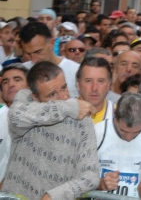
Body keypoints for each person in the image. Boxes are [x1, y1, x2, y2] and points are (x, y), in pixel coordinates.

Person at [2, 61, 99, 200]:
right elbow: (16, 118)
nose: (64, 97)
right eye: (52, 94)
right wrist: (68, 107)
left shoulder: (81, 120)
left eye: (64, 87)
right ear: (35, 97)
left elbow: (90, 177)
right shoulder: (25, 100)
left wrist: (54, 196)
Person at [95, 92, 141, 198]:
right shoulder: (97, 132)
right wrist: (100, 184)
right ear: (114, 114)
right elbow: (77, 178)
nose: (128, 138)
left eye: (137, 132)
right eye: (123, 130)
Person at [20, 22, 80, 98]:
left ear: (51, 43)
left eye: (38, 52)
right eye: (28, 54)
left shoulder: (76, 71)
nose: (33, 60)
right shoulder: (22, 72)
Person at [76, 57, 114, 124]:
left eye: (100, 81)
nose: (94, 88)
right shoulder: (64, 113)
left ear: (109, 85)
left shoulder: (118, 115)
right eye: (88, 81)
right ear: (78, 84)